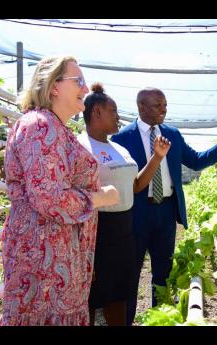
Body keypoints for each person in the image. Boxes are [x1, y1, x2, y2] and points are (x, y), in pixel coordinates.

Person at [0, 56, 120, 326]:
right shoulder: (40, 126)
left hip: (56, 261)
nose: (86, 88)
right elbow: (50, 198)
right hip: (44, 267)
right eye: (78, 80)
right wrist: (102, 197)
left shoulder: (54, 127)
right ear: (54, 86)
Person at [111, 87, 217, 325]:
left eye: (165, 104)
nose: (164, 109)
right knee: (131, 275)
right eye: (157, 105)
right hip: (137, 213)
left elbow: (195, 161)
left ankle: (160, 320)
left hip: (166, 212)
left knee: (163, 274)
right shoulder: (122, 139)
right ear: (141, 106)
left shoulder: (173, 134)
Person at [78, 83, 171, 326]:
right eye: (113, 111)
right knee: (93, 297)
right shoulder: (80, 147)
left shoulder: (118, 148)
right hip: (98, 231)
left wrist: (157, 157)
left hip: (125, 230)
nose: (118, 117)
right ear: (97, 112)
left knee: (122, 292)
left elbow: (136, 185)